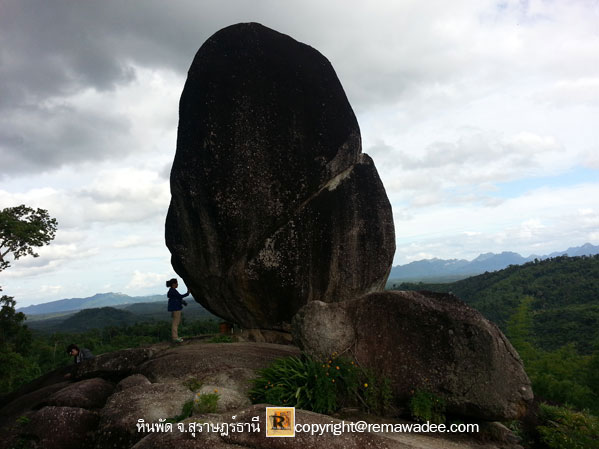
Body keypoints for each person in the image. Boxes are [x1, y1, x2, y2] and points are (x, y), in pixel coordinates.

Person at [167, 278, 190, 343]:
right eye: (177, 283)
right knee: (175, 323)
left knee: (176, 322)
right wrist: (187, 293)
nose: (177, 284)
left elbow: (178, 298)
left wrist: (183, 302)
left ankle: (175, 337)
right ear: (174, 284)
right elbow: (180, 296)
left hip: (175, 308)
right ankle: (175, 338)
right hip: (176, 308)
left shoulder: (172, 290)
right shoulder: (173, 290)